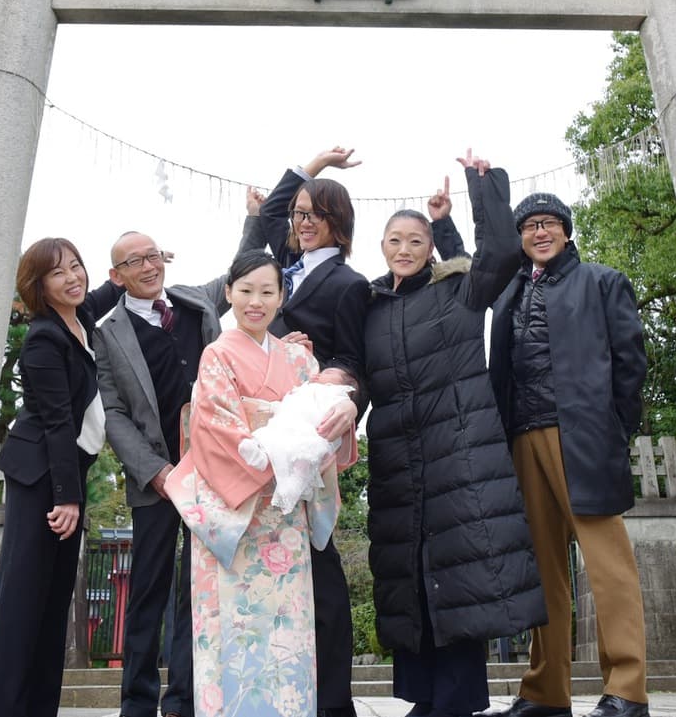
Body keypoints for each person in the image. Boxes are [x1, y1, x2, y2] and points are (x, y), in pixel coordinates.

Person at [363, 152, 547, 717]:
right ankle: (424, 699)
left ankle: (457, 700)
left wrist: (475, 192)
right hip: (398, 462)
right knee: (412, 580)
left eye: (416, 240)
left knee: (463, 574)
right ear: (383, 246)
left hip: (461, 460)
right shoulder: (368, 306)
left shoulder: (459, 291)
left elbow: (499, 255)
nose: (405, 248)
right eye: (396, 239)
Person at [163, 249, 358, 717]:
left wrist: (345, 410)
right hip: (238, 511)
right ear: (228, 293)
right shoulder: (217, 354)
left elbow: (325, 418)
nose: (256, 301)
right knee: (233, 631)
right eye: (245, 290)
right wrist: (278, 449)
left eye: (267, 291)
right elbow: (215, 431)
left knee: (287, 635)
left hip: (285, 515)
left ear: (281, 296)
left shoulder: (299, 359)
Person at [487, 194, 650, 717]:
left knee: (608, 565)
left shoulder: (602, 281)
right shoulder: (512, 289)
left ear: (566, 230)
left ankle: (626, 688)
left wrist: (613, 428)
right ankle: (545, 691)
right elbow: (479, 262)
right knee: (542, 570)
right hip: (522, 437)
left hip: (581, 435)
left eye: (549, 223)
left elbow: (631, 363)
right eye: (530, 226)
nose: (540, 232)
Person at [245, 146, 371, 717]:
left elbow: (357, 360)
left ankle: (333, 703)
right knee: (264, 560)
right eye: (298, 213)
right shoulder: (276, 273)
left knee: (318, 558)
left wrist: (327, 370)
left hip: (305, 434)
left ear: (337, 223)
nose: (299, 221)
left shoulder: (350, 284)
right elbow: (270, 211)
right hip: (257, 428)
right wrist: (313, 163)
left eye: (313, 213)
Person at [94, 230, 235, 717]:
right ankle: (137, 702)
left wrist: (260, 214)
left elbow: (242, 270)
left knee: (199, 590)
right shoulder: (107, 331)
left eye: (153, 255)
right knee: (149, 590)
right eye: (135, 262)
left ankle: (185, 701)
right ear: (117, 277)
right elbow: (112, 411)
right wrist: (154, 472)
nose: (149, 267)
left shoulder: (196, 303)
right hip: (156, 478)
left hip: (212, 473)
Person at [0, 237, 112, 717]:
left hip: (65, 471)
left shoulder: (80, 321)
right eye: (59, 273)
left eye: (76, 266)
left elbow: (107, 289)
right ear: (39, 285)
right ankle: (0, 708)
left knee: (55, 600)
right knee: (23, 595)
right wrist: (67, 497)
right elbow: (56, 421)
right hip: (40, 477)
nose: (73, 277)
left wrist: (140, 264)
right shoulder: (43, 337)